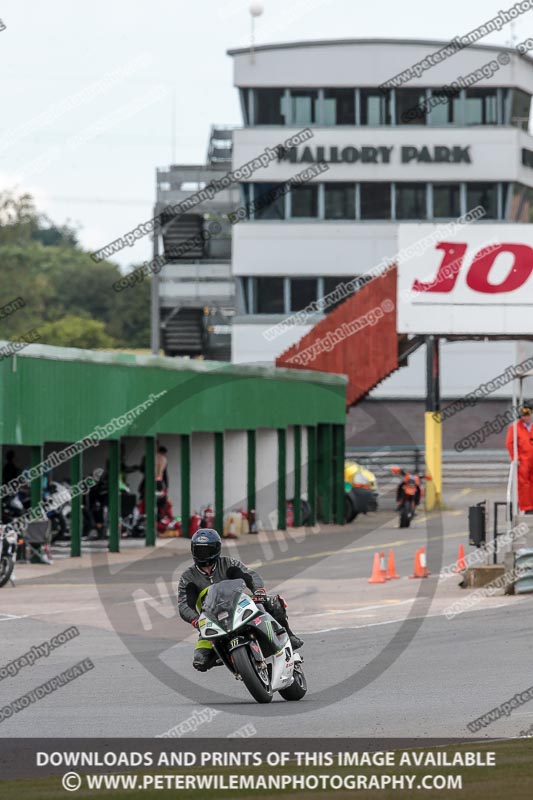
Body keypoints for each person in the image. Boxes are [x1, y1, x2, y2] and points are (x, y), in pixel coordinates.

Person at [178, 528, 303, 672]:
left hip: (239, 606)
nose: (203, 555)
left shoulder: (227, 563)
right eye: (199, 550)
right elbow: (184, 605)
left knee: (274, 602)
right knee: (200, 661)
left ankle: (289, 636)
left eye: (207, 550)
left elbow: (250, 576)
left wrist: (258, 592)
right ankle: (231, 658)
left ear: (216, 549)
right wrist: (196, 619)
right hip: (211, 619)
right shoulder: (188, 577)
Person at [505, 405, 533, 514]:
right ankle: (527, 507)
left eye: (528, 415)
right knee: (524, 484)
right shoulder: (515, 428)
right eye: (524, 415)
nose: (526, 417)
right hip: (524, 460)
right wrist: (515, 458)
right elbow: (509, 443)